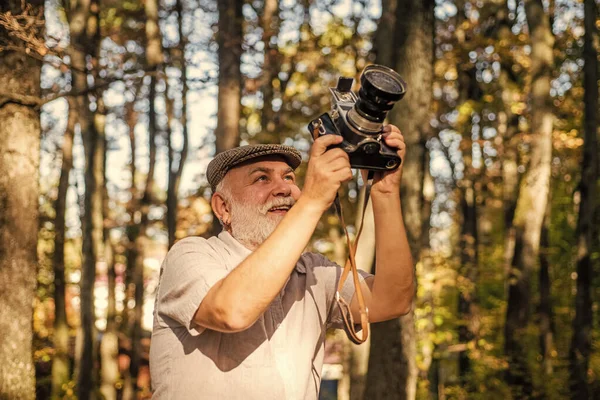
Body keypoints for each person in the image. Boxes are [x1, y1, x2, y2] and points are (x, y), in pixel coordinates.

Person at [149, 125, 414, 399]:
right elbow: (232, 311)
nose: (284, 188)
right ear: (223, 208)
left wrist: (385, 194)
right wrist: (311, 201)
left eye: (289, 177)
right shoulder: (190, 255)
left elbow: (392, 300)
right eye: (261, 179)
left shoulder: (313, 272)